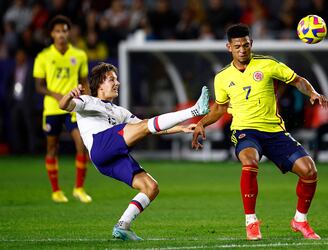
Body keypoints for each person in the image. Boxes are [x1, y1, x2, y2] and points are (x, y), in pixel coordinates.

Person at [192, 24, 328, 240]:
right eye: (237, 46)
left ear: (251, 44)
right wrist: (202, 123)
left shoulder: (267, 64)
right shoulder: (222, 77)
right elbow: (219, 108)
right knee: (250, 161)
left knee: (309, 171)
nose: (242, 50)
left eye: (246, 45)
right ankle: (251, 222)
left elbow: (297, 80)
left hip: (274, 131)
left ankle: (300, 220)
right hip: (245, 130)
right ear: (229, 47)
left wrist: (312, 92)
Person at [59, 62, 210, 240]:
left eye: (117, 79)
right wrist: (69, 95)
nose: (117, 83)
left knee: (151, 187)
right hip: (100, 145)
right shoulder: (87, 101)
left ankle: (123, 226)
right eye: (111, 79)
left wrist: (181, 129)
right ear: (99, 84)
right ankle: (194, 110)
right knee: (144, 126)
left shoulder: (120, 111)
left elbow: (147, 126)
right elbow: (63, 105)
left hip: (111, 159)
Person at [33, 15, 92, 203]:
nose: (61, 35)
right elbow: (39, 85)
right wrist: (56, 95)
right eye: (57, 31)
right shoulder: (43, 57)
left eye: (64, 31)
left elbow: (84, 81)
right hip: (52, 108)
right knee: (52, 147)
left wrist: (88, 100)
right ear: (52, 34)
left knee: (81, 145)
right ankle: (56, 191)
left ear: (69, 32)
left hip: (73, 108)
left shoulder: (79, 55)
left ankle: (79, 189)